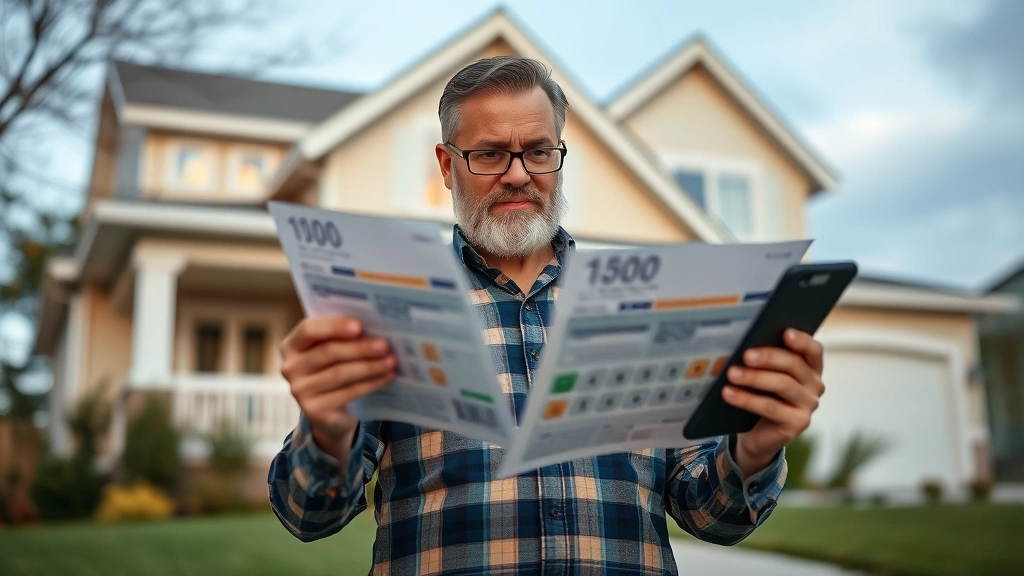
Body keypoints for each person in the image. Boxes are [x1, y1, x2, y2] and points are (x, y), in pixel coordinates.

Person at [268, 56, 826, 575]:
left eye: (538, 151)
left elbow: (713, 516)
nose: (517, 175)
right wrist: (328, 432)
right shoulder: (387, 307)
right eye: (488, 154)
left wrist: (757, 446)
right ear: (446, 164)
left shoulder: (646, 313)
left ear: (560, 156)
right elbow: (307, 517)